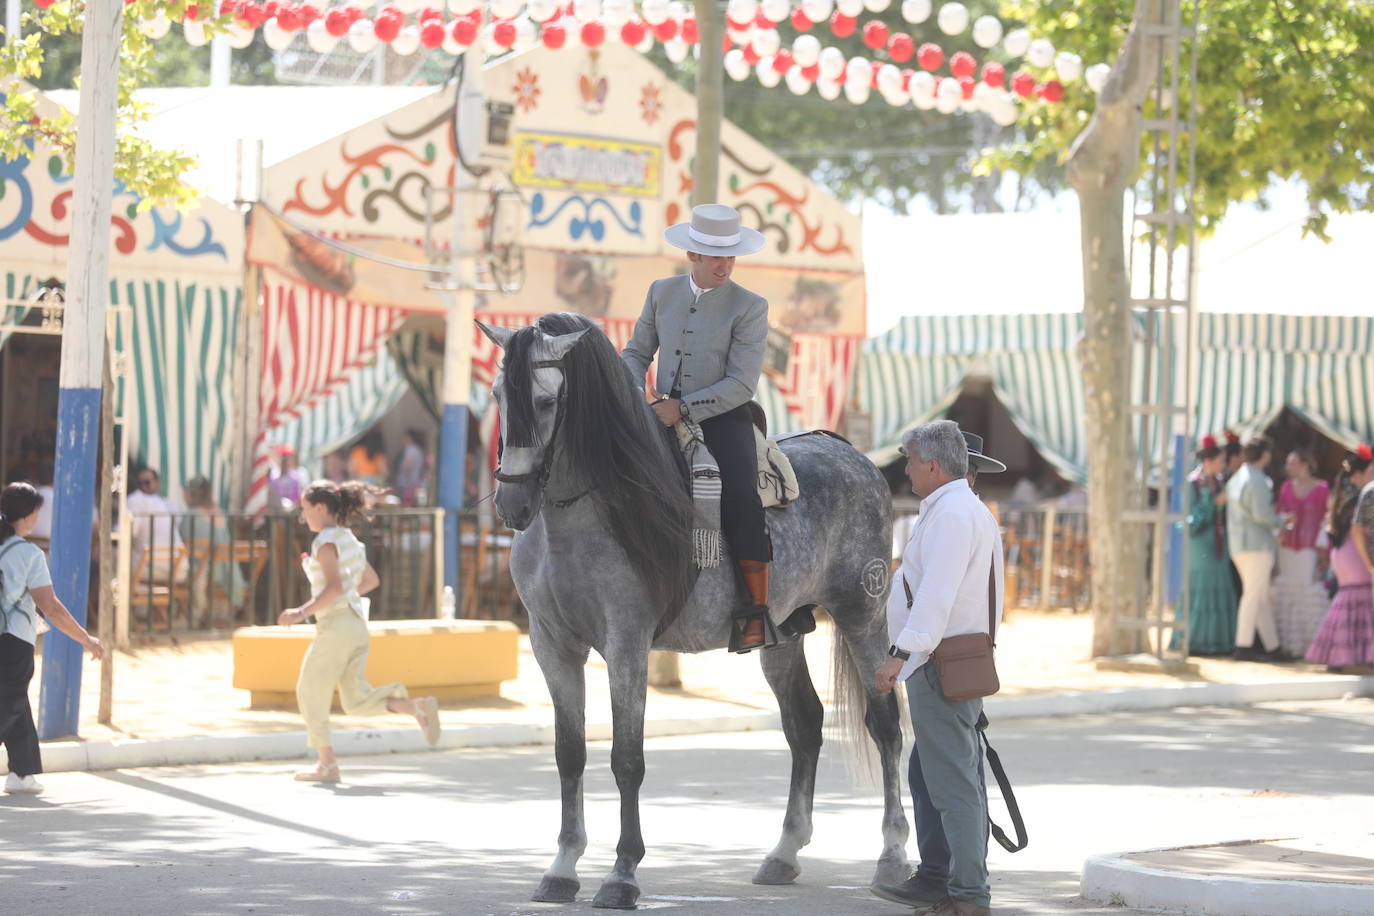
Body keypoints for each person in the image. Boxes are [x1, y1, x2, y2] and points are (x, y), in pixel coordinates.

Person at [621, 203, 776, 653]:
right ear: (693, 255)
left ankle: (756, 610)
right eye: (715, 257)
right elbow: (636, 353)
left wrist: (682, 409)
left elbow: (742, 382)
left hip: (724, 416)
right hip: (658, 413)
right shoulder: (660, 292)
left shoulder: (751, 306)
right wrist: (629, 391)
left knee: (742, 497)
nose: (724, 265)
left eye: (730, 256)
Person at [873, 421, 1002, 916]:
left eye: (908, 460)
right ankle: (938, 879)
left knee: (950, 784)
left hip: (936, 661)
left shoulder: (953, 513)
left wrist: (901, 654)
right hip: (943, 659)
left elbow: (936, 597)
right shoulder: (955, 509)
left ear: (931, 464)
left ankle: (967, 894)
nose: (905, 468)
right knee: (933, 775)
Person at [278, 480, 440, 782]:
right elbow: (370, 580)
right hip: (355, 625)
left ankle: (327, 765)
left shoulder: (325, 541)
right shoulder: (349, 539)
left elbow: (334, 587)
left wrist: (300, 612)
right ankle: (414, 707)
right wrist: (342, 596)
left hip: (337, 627)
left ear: (320, 508)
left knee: (310, 691)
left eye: (305, 509)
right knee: (355, 699)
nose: (303, 516)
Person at [0, 483, 104, 794]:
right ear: (30, 515)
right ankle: (22, 772)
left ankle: (22, 773)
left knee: (15, 703)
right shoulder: (29, 554)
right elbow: (51, 607)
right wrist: (85, 638)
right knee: (8, 703)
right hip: (13, 643)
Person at [1306, 445, 1374, 671]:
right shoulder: (1360, 496)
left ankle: (1339, 658)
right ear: (1358, 474)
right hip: (1356, 552)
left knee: (1346, 602)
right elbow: (1359, 530)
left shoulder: (1343, 493)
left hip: (1342, 554)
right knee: (1363, 601)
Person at [1176, 435, 1238, 655]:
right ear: (1209, 461)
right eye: (1220, 460)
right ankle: (1193, 641)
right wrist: (1213, 503)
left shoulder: (1219, 481)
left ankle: (1219, 642)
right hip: (1200, 545)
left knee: (1220, 588)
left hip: (1219, 544)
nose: (1223, 465)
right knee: (1200, 590)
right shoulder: (1193, 483)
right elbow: (1190, 519)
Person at [1225, 435, 1283, 661]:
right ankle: (1243, 645)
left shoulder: (1236, 478)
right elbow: (1262, 515)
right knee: (1253, 596)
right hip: (1257, 545)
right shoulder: (1257, 479)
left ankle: (1273, 647)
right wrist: (1281, 520)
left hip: (1240, 545)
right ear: (1265, 454)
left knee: (1258, 597)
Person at [1272, 448, 1331, 659]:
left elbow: (1326, 519)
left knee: (1307, 590)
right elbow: (1278, 515)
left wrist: (1323, 548)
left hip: (1309, 547)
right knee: (1287, 589)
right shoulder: (1286, 488)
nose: (1288, 467)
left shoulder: (1322, 488)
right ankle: (1289, 643)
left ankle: (1310, 644)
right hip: (1288, 546)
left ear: (1304, 464)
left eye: (1292, 462)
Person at [267, 445, 310, 510]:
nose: (284, 461)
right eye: (282, 457)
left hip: (292, 510)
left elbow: (299, 495)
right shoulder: (273, 476)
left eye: (287, 458)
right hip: (275, 509)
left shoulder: (297, 475)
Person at [393, 428, 429, 506]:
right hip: (413, 483)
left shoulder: (411, 449)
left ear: (409, 438)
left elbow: (407, 465)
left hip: (408, 485)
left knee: (406, 505)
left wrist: (407, 480)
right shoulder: (418, 450)